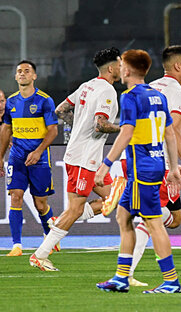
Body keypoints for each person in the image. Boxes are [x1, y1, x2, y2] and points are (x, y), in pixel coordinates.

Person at [94, 49, 181, 294]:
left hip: (141, 168)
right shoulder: (157, 96)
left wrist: (106, 163)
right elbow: (169, 133)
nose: (119, 68)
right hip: (153, 164)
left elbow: (126, 132)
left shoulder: (130, 96)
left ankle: (171, 281)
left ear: (128, 70)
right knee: (123, 217)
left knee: (153, 223)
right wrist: (172, 168)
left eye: (121, 64)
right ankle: (121, 278)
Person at [124, 45, 181, 286]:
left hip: (135, 157)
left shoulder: (149, 88)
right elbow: (171, 131)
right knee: (152, 217)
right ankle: (128, 273)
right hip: (155, 162)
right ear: (177, 66)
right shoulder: (179, 95)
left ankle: (128, 267)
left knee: (174, 217)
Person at [29, 47, 121, 271]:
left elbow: (61, 110)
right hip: (83, 158)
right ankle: (40, 255)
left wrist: (77, 126)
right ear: (111, 68)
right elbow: (101, 124)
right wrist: (127, 129)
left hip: (87, 156)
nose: (123, 68)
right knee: (76, 209)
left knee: (116, 197)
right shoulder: (107, 91)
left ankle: (57, 221)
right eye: (120, 64)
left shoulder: (87, 85)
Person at [0, 60, 58, 257]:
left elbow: (53, 130)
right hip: (17, 157)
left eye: (27, 71)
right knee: (15, 196)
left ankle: (51, 237)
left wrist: (39, 150)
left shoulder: (44, 100)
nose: (22, 74)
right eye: (19, 71)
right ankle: (16, 245)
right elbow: (7, 129)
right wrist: (0, 157)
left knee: (40, 203)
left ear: (34, 76)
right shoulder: (11, 102)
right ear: (15, 77)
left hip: (39, 158)